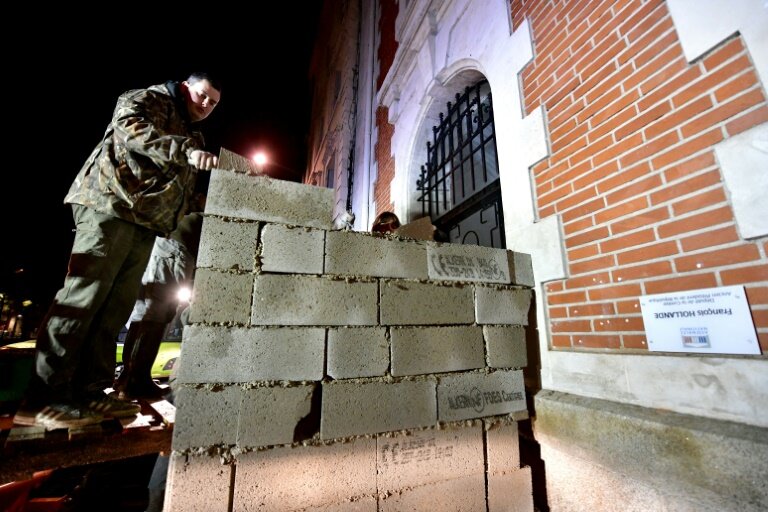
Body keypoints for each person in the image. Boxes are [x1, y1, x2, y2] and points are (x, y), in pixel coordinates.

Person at [14, 72, 222, 430]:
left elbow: (181, 194)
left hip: (146, 223)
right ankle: (42, 397)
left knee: (116, 307)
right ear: (186, 86)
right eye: (203, 95)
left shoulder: (193, 135)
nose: (206, 105)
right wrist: (185, 151)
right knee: (85, 297)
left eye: (214, 103)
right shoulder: (149, 100)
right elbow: (131, 130)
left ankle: (91, 390)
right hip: (110, 205)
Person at [113, 191, 205, 400]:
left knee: (149, 313)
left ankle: (129, 380)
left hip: (168, 250)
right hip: (173, 251)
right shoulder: (202, 202)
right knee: (154, 314)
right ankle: (134, 382)